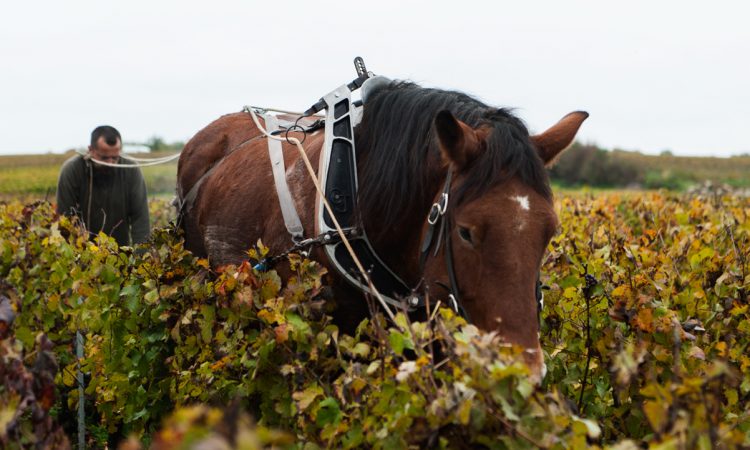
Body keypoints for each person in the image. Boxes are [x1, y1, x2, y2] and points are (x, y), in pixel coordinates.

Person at [56, 125, 150, 246]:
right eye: (104, 158)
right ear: (90, 150)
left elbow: (140, 219)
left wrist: (141, 259)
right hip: (81, 252)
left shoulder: (131, 170)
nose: (110, 163)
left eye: (115, 158)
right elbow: (65, 218)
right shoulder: (72, 170)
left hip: (120, 253)